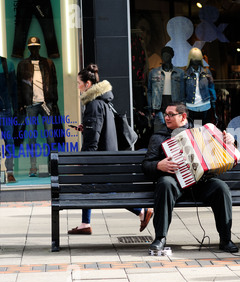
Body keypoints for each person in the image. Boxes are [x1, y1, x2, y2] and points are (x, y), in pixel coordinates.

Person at [141, 102, 238, 253]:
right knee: (165, 183)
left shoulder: (202, 133)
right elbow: (146, 164)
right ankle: (160, 238)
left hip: (200, 183)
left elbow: (224, 151)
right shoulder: (158, 137)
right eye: (165, 114)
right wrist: (158, 165)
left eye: (170, 114)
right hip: (174, 184)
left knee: (221, 188)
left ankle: (226, 239)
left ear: (183, 116)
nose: (166, 118)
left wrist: (230, 141)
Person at [68, 64, 152, 235]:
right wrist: (86, 127)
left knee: (107, 189)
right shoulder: (104, 101)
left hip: (99, 159)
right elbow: (101, 128)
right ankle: (85, 223)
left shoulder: (93, 105)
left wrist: (85, 160)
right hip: (107, 154)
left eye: (79, 83)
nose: (77, 86)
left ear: (88, 84)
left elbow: (93, 140)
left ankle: (141, 211)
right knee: (88, 185)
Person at [16, 36, 58, 177]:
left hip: (46, 104)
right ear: (28, 48)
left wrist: (54, 102)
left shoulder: (48, 63)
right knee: (32, 137)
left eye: (36, 47)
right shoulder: (22, 64)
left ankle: (51, 166)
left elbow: (54, 83)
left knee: (50, 137)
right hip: (31, 105)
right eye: (32, 47)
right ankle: (33, 167)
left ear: (39, 47)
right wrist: (21, 104)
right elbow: (19, 86)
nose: (34, 49)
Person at [184, 48, 217, 125]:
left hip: (205, 106)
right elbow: (182, 91)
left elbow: (211, 88)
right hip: (191, 107)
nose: (196, 61)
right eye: (194, 59)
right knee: (196, 131)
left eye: (197, 59)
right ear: (190, 59)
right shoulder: (185, 73)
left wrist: (214, 104)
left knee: (206, 131)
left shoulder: (206, 72)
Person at [0, 56, 18, 183]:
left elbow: (14, 89)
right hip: (6, 108)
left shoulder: (7, 64)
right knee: (9, 141)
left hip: (6, 110)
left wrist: (16, 109)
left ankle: (10, 172)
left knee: (9, 142)